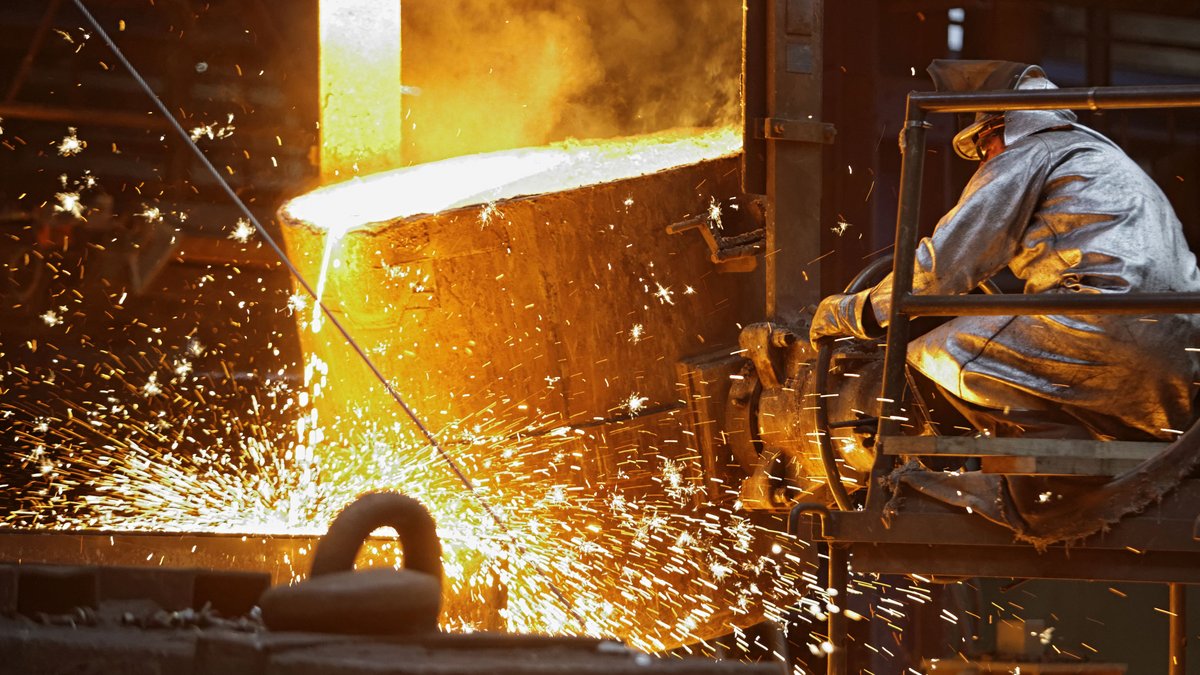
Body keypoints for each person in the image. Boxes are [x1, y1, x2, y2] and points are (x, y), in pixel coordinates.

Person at [810, 59, 1200, 441]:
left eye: (983, 146)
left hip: (1098, 327)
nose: (984, 159)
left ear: (1001, 126)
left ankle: (1040, 480)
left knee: (933, 357)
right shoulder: (1105, 156)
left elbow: (946, 265)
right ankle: (1080, 472)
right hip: (1183, 352)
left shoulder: (1031, 153)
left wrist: (854, 311)